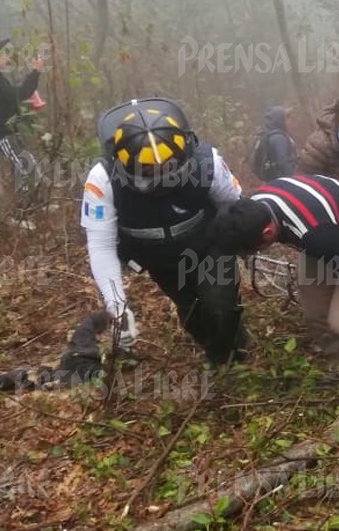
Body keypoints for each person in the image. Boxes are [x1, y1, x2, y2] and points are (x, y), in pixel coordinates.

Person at [80, 97, 246, 365]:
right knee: (192, 312)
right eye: (149, 171)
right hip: (160, 261)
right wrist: (117, 307)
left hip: (209, 247)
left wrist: (245, 243)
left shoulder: (207, 162)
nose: (161, 177)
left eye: (169, 168)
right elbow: (101, 245)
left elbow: (235, 204)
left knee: (221, 305)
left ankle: (230, 358)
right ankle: (214, 347)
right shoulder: (102, 180)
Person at [208, 175, 339, 365]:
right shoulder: (254, 207)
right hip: (331, 231)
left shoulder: (314, 234)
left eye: (253, 249)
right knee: (315, 312)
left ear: (267, 233)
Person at [0, 35, 45, 195]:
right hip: (3, 136)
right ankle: (24, 209)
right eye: (2, 54)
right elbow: (19, 93)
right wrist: (35, 72)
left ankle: (35, 206)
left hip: (11, 133)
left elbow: (12, 98)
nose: (6, 56)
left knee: (29, 167)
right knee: (24, 169)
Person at [251, 105, 297, 181]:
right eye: (287, 118)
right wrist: (295, 180)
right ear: (279, 120)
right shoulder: (278, 138)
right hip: (282, 181)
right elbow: (283, 163)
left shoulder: (269, 134)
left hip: (273, 180)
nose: (290, 121)